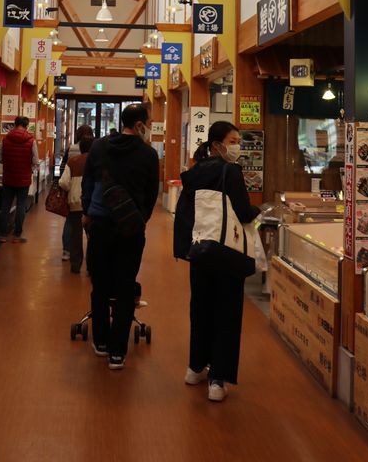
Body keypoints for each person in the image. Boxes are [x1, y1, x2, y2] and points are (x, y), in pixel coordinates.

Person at [176, 121, 260, 403]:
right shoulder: (230, 172)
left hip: (200, 252)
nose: (237, 146)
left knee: (200, 307)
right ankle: (217, 380)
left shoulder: (194, 172)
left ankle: (195, 368)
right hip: (226, 253)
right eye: (233, 141)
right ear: (216, 145)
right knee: (226, 312)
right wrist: (260, 209)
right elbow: (244, 213)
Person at [82, 103, 159, 370]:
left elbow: (88, 183)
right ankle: (118, 352)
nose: (149, 127)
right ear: (139, 125)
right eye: (148, 122)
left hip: (100, 223)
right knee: (125, 286)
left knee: (100, 284)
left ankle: (100, 342)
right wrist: (140, 218)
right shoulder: (148, 154)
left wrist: (87, 211)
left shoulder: (99, 147)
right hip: (131, 229)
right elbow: (151, 194)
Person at [0, 116, 39, 243]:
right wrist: (29, 168)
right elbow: (35, 160)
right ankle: (17, 234)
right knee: (21, 205)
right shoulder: (31, 141)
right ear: (26, 126)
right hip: (23, 179)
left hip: (8, 178)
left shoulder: (5, 139)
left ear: (15, 125)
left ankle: (3, 234)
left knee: (6, 205)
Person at [58, 134, 93, 274]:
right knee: (92, 236)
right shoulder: (97, 162)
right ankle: (91, 267)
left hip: (75, 202)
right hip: (91, 204)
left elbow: (63, 182)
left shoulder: (73, 161)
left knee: (75, 235)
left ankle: (75, 265)